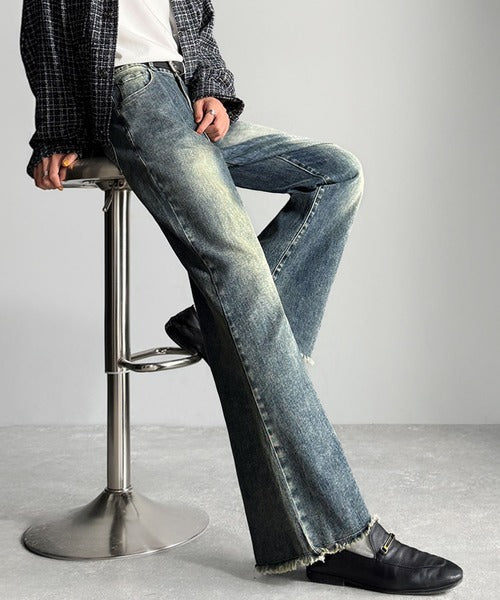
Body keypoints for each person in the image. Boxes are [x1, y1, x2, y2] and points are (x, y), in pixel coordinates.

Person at [20, 0, 463, 593]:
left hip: (183, 92)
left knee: (336, 173)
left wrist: (213, 89)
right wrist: (57, 132)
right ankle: (337, 537)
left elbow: (193, 17)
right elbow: (44, 26)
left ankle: (217, 328)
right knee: (244, 288)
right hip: (131, 95)